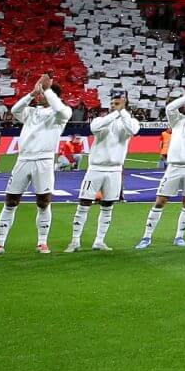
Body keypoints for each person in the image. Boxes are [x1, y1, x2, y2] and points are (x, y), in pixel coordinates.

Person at [0, 75, 73, 255]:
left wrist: (47, 89)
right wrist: (32, 93)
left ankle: (42, 242)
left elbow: (60, 109)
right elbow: (14, 109)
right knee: (11, 201)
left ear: (52, 95)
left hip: (44, 160)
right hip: (23, 160)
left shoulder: (61, 113)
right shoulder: (30, 112)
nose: (39, 96)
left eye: (42, 94)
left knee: (43, 202)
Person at [136, 81, 185, 250]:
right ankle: (146, 237)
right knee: (160, 201)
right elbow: (170, 108)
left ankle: (180, 236)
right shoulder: (178, 121)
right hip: (174, 167)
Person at [69, 94, 142, 252]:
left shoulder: (130, 122)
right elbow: (94, 128)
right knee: (84, 203)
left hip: (115, 170)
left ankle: (99, 241)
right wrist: (117, 112)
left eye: (116, 103)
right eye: (112, 103)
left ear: (124, 105)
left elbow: (133, 130)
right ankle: (75, 241)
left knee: (108, 205)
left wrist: (122, 112)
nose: (113, 106)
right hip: (95, 168)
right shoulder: (100, 120)